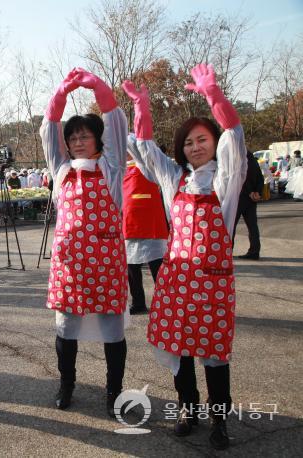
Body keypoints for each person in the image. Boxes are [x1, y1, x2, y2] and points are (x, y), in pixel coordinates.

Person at [123, 63, 246, 450]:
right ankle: (188, 409)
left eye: (202, 139)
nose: (195, 146)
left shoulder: (225, 181)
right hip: (177, 281)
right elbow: (145, 149)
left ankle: (219, 422)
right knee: (180, 351)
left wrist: (215, 97)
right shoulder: (174, 180)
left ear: (212, 141)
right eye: (189, 142)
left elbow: (236, 139)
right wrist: (142, 109)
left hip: (212, 281)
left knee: (213, 354)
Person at [41, 68, 128, 416]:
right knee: (66, 330)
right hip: (69, 265)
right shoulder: (61, 170)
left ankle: (114, 392)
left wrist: (99, 88)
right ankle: (67, 384)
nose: (78, 141)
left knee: (113, 331)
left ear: (98, 140)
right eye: (73, 136)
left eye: (85, 135)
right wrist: (60, 93)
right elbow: (49, 130)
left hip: (107, 264)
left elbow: (117, 125)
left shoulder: (111, 168)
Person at [123, 144, 169, 314]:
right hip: (129, 223)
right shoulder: (120, 169)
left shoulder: (149, 165)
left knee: (157, 265)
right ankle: (138, 302)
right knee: (131, 268)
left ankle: (166, 302)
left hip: (151, 224)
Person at [233, 150, 264, 260]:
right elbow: (260, 178)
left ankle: (227, 251)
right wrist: (257, 192)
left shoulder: (239, 162)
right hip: (252, 199)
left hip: (239, 197)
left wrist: (249, 191)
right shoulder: (254, 162)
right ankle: (254, 251)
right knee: (252, 226)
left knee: (231, 225)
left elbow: (241, 180)